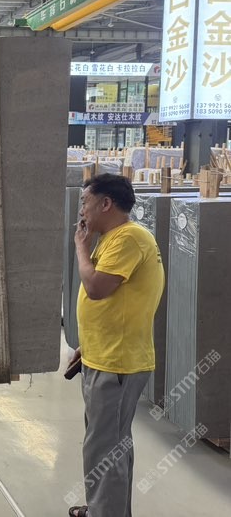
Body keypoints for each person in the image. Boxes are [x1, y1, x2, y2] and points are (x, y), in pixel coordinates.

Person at [69, 173, 164, 517]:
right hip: (105, 355)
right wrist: (89, 344)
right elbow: (115, 303)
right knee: (110, 443)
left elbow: (96, 288)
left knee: (104, 447)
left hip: (118, 362)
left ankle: (104, 512)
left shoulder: (129, 238)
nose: (82, 210)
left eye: (85, 202)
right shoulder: (114, 238)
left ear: (106, 203)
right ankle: (106, 509)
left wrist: (81, 248)